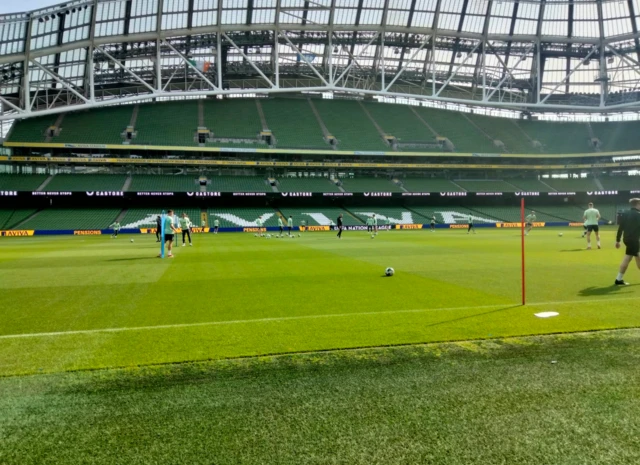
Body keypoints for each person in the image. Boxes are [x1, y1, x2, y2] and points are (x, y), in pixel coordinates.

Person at [614, 198, 640, 285]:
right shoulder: (638, 215)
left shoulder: (625, 214)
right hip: (634, 240)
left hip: (627, 239)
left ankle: (618, 279)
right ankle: (618, 279)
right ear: (638, 204)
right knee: (628, 257)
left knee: (636, 257)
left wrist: (618, 240)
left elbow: (620, 228)